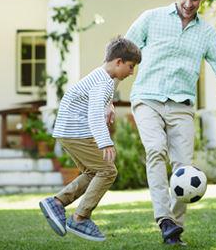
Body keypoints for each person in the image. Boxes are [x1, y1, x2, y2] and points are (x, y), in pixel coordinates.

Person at [124, 0, 216, 246]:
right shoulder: (151, 19)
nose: (189, 4)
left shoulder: (206, 32)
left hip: (182, 106)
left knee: (183, 167)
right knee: (155, 150)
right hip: (147, 99)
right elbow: (123, 54)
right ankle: (163, 218)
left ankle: (174, 230)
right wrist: (106, 97)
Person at [39, 36, 141, 242]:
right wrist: (105, 141)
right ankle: (80, 217)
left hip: (68, 131)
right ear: (118, 62)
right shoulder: (103, 82)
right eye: (130, 67)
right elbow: (94, 114)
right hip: (76, 131)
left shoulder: (103, 77)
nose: (132, 72)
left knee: (93, 171)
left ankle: (57, 203)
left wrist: (109, 105)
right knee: (108, 170)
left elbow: (97, 99)